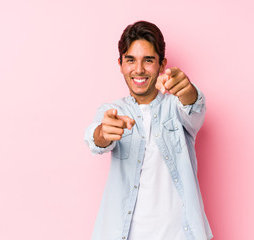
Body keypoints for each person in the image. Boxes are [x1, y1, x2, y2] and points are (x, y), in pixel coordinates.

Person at [84, 20, 213, 240]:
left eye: (148, 60)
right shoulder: (112, 111)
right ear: (121, 64)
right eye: (131, 60)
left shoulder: (176, 108)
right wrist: (104, 133)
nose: (139, 69)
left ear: (162, 65)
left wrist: (187, 89)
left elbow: (194, 107)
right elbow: (95, 139)